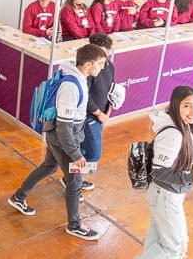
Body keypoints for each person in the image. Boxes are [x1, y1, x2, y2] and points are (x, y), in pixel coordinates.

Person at [7, 44, 107, 241]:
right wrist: (76, 155)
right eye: (100, 63)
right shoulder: (71, 86)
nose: (102, 68)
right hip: (62, 139)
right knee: (75, 180)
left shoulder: (79, 78)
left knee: (48, 167)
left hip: (60, 138)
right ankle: (75, 225)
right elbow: (64, 126)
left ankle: (18, 197)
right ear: (88, 64)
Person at [140, 86, 193, 258]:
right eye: (187, 106)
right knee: (175, 248)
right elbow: (159, 172)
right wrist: (192, 177)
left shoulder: (184, 126)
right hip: (165, 196)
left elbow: (186, 162)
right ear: (176, 105)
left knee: (157, 242)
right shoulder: (173, 134)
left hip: (165, 195)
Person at [80, 33, 115, 192]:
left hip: (101, 116)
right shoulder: (90, 69)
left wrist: (108, 110)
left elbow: (110, 90)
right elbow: (85, 96)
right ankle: (73, 180)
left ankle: (74, 180)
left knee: (85, 151)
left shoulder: (109, 66)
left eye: (102, 53)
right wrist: (99, 114)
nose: (99, 58)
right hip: (89, 117)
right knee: (94, 154)